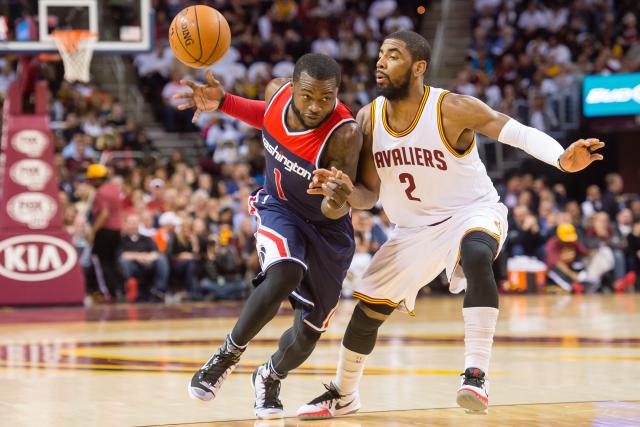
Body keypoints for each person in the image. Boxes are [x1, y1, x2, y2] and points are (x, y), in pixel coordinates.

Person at [298, 30, 604, 418]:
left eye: (393, 55)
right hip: (412, 231)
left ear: (418, 67)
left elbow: (515, 132)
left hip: (471, 211)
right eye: (380, 54)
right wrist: (344, 191)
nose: (380, 61)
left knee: (476, 252)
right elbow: (368, 195)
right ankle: (344, 394)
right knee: (366, 313)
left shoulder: (451, 108)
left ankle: (476, 374)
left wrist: (561, 159)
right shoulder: (368, 118)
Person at [173, 53, 362, 419]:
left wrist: (336, 198)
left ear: (337, 93)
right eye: (307, 96)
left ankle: (269, 376)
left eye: (326, 98)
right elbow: (266, 116)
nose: (316, 106)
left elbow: (335, 209)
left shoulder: (344, 134)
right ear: (292, 88)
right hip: (279, 208)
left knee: (309, 331)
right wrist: (224, 102)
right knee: (286, 270)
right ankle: (227, 354)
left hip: (328, 228)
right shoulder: (276, 93)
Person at [86, 163, 124, 300]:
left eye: (91, 179)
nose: (90, 182)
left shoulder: (100, 192)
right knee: (113, 262)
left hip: (104, 231)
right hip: (117, 230)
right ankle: (119, 290)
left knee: (100, 262)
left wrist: (93, 231)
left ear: (97, 179)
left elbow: (104, 214)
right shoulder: (115, 189)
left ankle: (107, 293)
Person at [118, 213, 169, 302]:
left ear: (139, 224)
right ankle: (130, 289)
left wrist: (146, 258)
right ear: (126, 224)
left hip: (147, 265)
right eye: (131, 223)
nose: (133, 226)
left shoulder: (147, 239)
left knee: (162, 258)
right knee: (123, 261)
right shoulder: (122, 240)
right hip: (132, 267)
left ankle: (159, 290)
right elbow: (122, 255)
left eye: (135, 223)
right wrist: (138, 257)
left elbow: (156, 253)